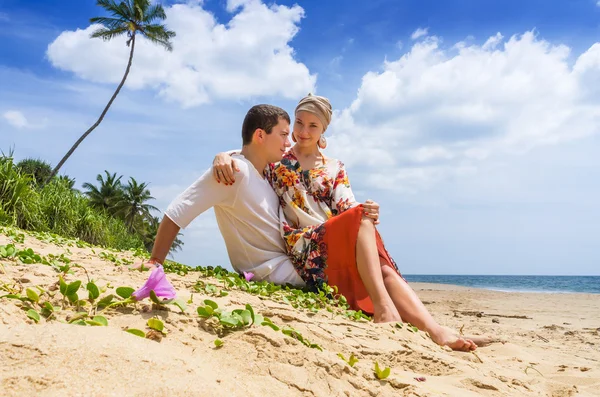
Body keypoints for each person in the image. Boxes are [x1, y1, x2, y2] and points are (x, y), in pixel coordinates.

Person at [212, 94, 491, 351]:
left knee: (380, 260)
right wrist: (222, 155)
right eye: (299, 123)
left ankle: (435, 330)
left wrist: (369, 210)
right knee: (366, 232)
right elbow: (249, 149)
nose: (302, 132)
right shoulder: (277, 158)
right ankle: (389, 311)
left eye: (312, 126)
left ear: (323, 131)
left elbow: (348, 207)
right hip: (302, 245)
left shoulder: (335, 167)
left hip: (335, 239)